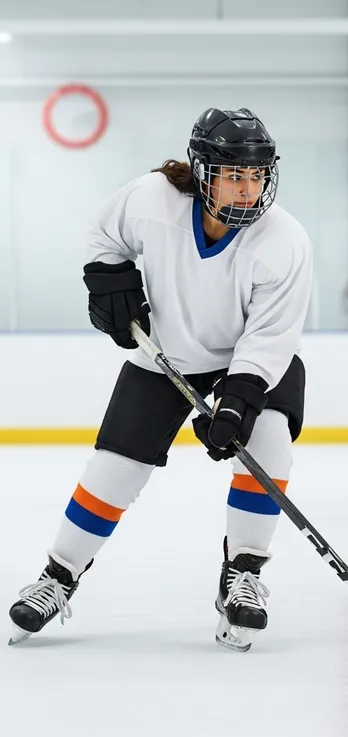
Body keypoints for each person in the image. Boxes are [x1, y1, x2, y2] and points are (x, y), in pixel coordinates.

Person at [8, 108, 313, 652]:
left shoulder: (285, 241)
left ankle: (243, 575)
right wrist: (109, 282)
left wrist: (238, 402)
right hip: (164, 354)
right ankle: (57, 577)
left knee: (268, 445)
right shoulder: (152, 200)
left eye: (256, 176)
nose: (247, 191)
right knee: (115, 469)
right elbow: (102, 236)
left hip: (251, 361)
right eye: (233, 176)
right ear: (203, 173)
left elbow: (270, 339)